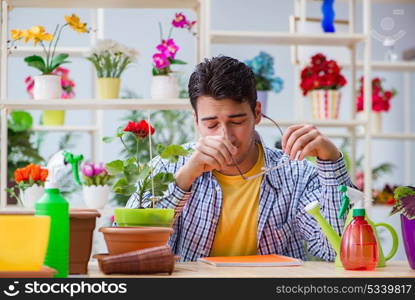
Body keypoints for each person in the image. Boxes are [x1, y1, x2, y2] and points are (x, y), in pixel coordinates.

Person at [126, 56, 354, 262]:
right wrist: (185, 178)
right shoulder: (170, 166)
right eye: (211, 124)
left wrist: (331, 160)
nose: (225, 136)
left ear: (257, 113)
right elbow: (130, 249)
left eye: (236, 122)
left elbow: (336, 250)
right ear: (196, 121)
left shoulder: (297, 174)